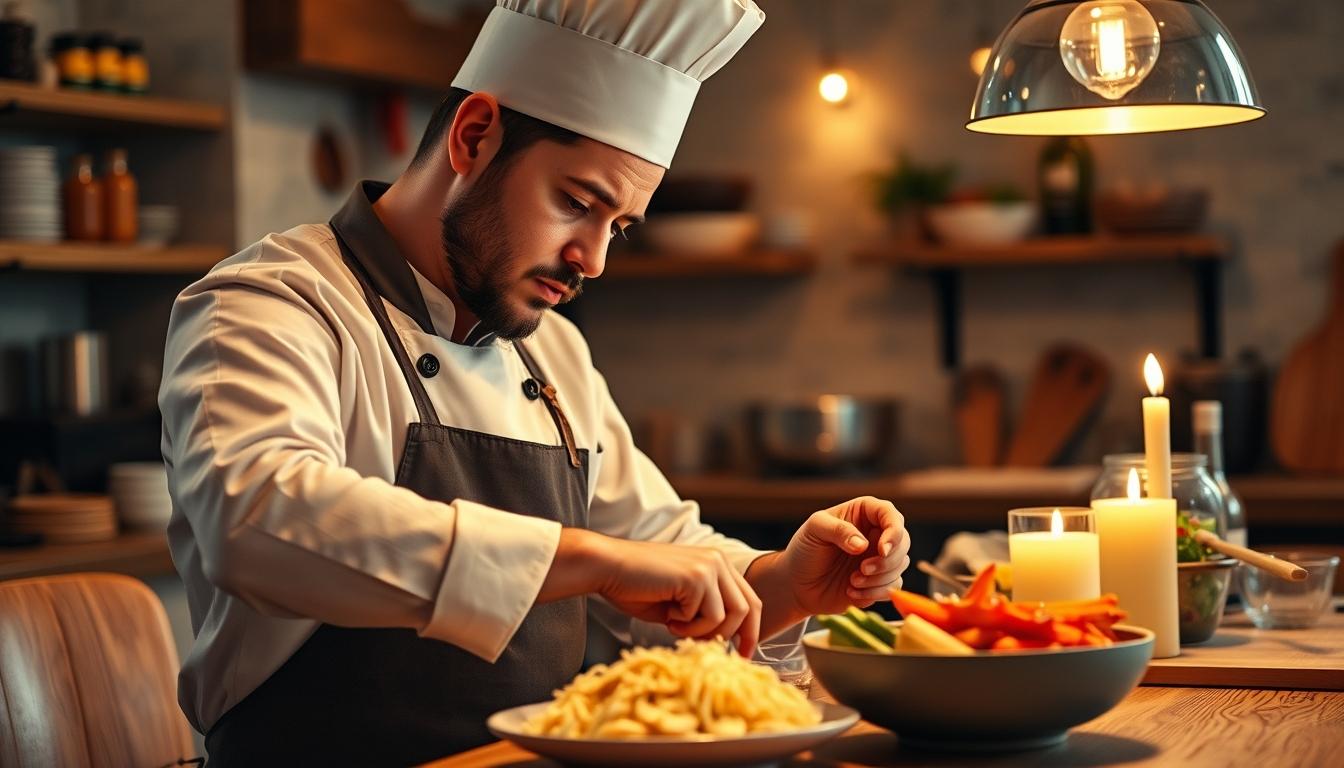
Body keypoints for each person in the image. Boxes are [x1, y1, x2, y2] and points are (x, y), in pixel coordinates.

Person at [158, 1, 910, 764]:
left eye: (618, 227)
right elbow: (254, 516)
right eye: (577, 204)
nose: (595, 260)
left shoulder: (553, 356)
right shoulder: (269, 304)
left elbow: (658, 550)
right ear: (473, 136)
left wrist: (785, 583)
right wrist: (592, 560)